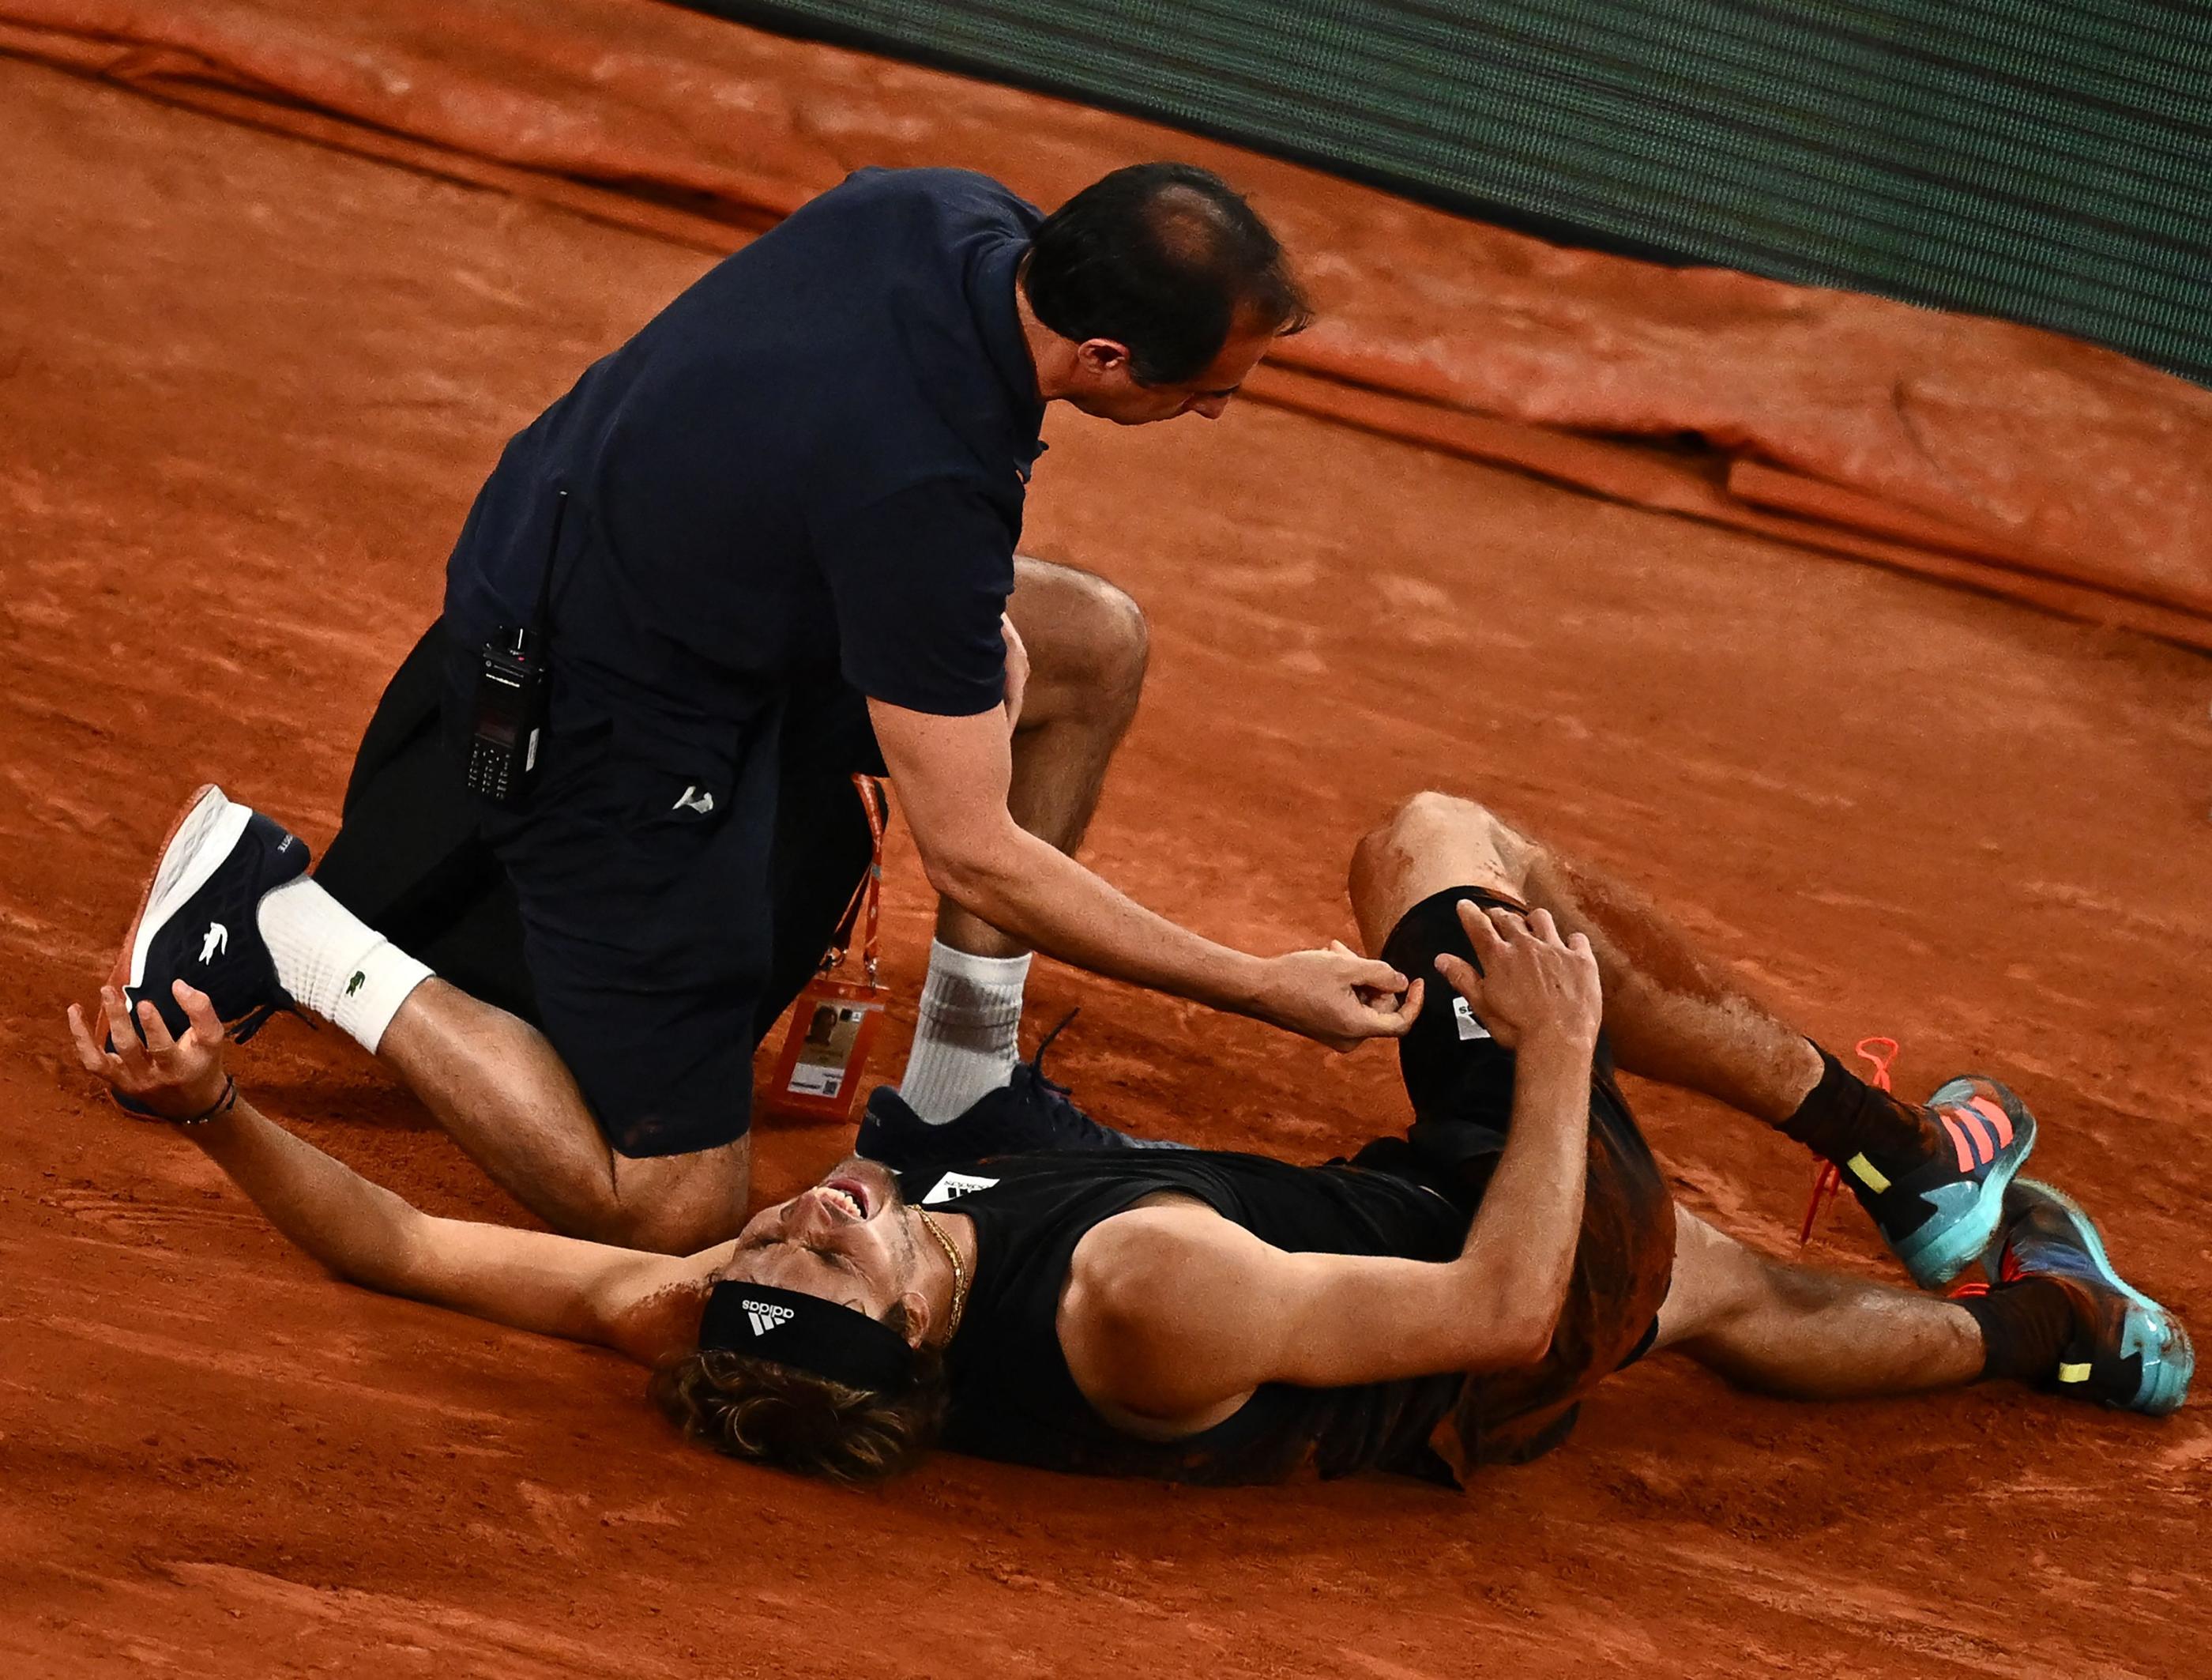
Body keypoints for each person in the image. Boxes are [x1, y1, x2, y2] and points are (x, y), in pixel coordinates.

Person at [73, 791, 2191, 1489]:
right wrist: (1548, 1061)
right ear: (912, 1322)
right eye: (836, 1248)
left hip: (1470, 1321)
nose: (803, 1211)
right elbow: (1502, 1288)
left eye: (776, 1246)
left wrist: (227, 1102)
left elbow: (422, 1256)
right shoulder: (1136, 1285)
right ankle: (1888, 1138)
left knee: (1724, 1298)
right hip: (1487, 1269)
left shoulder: (755, 1311)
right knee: (1444, 854)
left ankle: (2053, 1335)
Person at [117, 163, 1418, 1254]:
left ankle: (962, 1085)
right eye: (1205, 392)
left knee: (1086, 645)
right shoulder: (925, 489)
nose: (1213, 409)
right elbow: (975, 852)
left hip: (630, 554)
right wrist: (1260, 984)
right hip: (601, 708)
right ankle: (283, 919)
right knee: (678, 1206)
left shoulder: (939, 212)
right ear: (1102, 354)